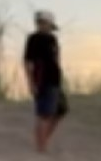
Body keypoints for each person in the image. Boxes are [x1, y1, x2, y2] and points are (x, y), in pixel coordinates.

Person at [24, 10, 68, 153]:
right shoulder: (33, 39)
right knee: (44, 114)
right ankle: (41, 147)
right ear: (39, 23)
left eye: (48, 24)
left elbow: (57, 58)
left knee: (60, 111)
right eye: (43, 23)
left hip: (55, 79)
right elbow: (28, 62)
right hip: (41, 79)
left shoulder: (52, 39)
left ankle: (43, 141)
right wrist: (31, 82)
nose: (46, 26)